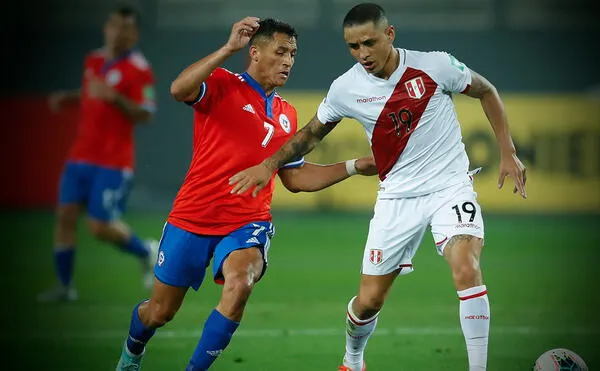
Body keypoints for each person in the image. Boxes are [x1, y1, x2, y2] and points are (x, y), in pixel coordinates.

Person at [228, 3, 528, 371]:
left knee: (466, 266)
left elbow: (486, 91)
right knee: (368, 302)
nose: (362, 54)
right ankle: (353, 360)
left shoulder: (435, 65)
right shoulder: (346, 87)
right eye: (353, 47)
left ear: (390, 34)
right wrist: (269, 165)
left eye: (369, 43)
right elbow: (309, 135)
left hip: (450, 187)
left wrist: (508, 151)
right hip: (397, 198)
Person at [115, 17, 376, 370]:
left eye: (293, 54)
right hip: (192, 217)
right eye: (280, 51)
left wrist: (354, 166)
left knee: (241, 283)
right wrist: (226, 49)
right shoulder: (222, 83)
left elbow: (296, 178)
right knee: (159, 312)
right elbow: (178, 89)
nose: (288, 61)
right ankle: (132, 353)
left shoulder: (286, 113)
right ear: (254, 52)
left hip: (246, 222)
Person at [38, 5, 158, 302]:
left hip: (113, 160)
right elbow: (91, 94)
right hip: (80, 154)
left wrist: (115, 98)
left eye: (126, 28)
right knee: (65, 215)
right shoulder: (93, 59)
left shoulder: (139, 69)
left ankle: (146, 251)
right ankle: (65, 286)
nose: (119, 32)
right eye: (114, 26)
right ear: (107, 28)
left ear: (135, 34)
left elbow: (146, 112)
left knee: (99, 226)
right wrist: (70, 97)